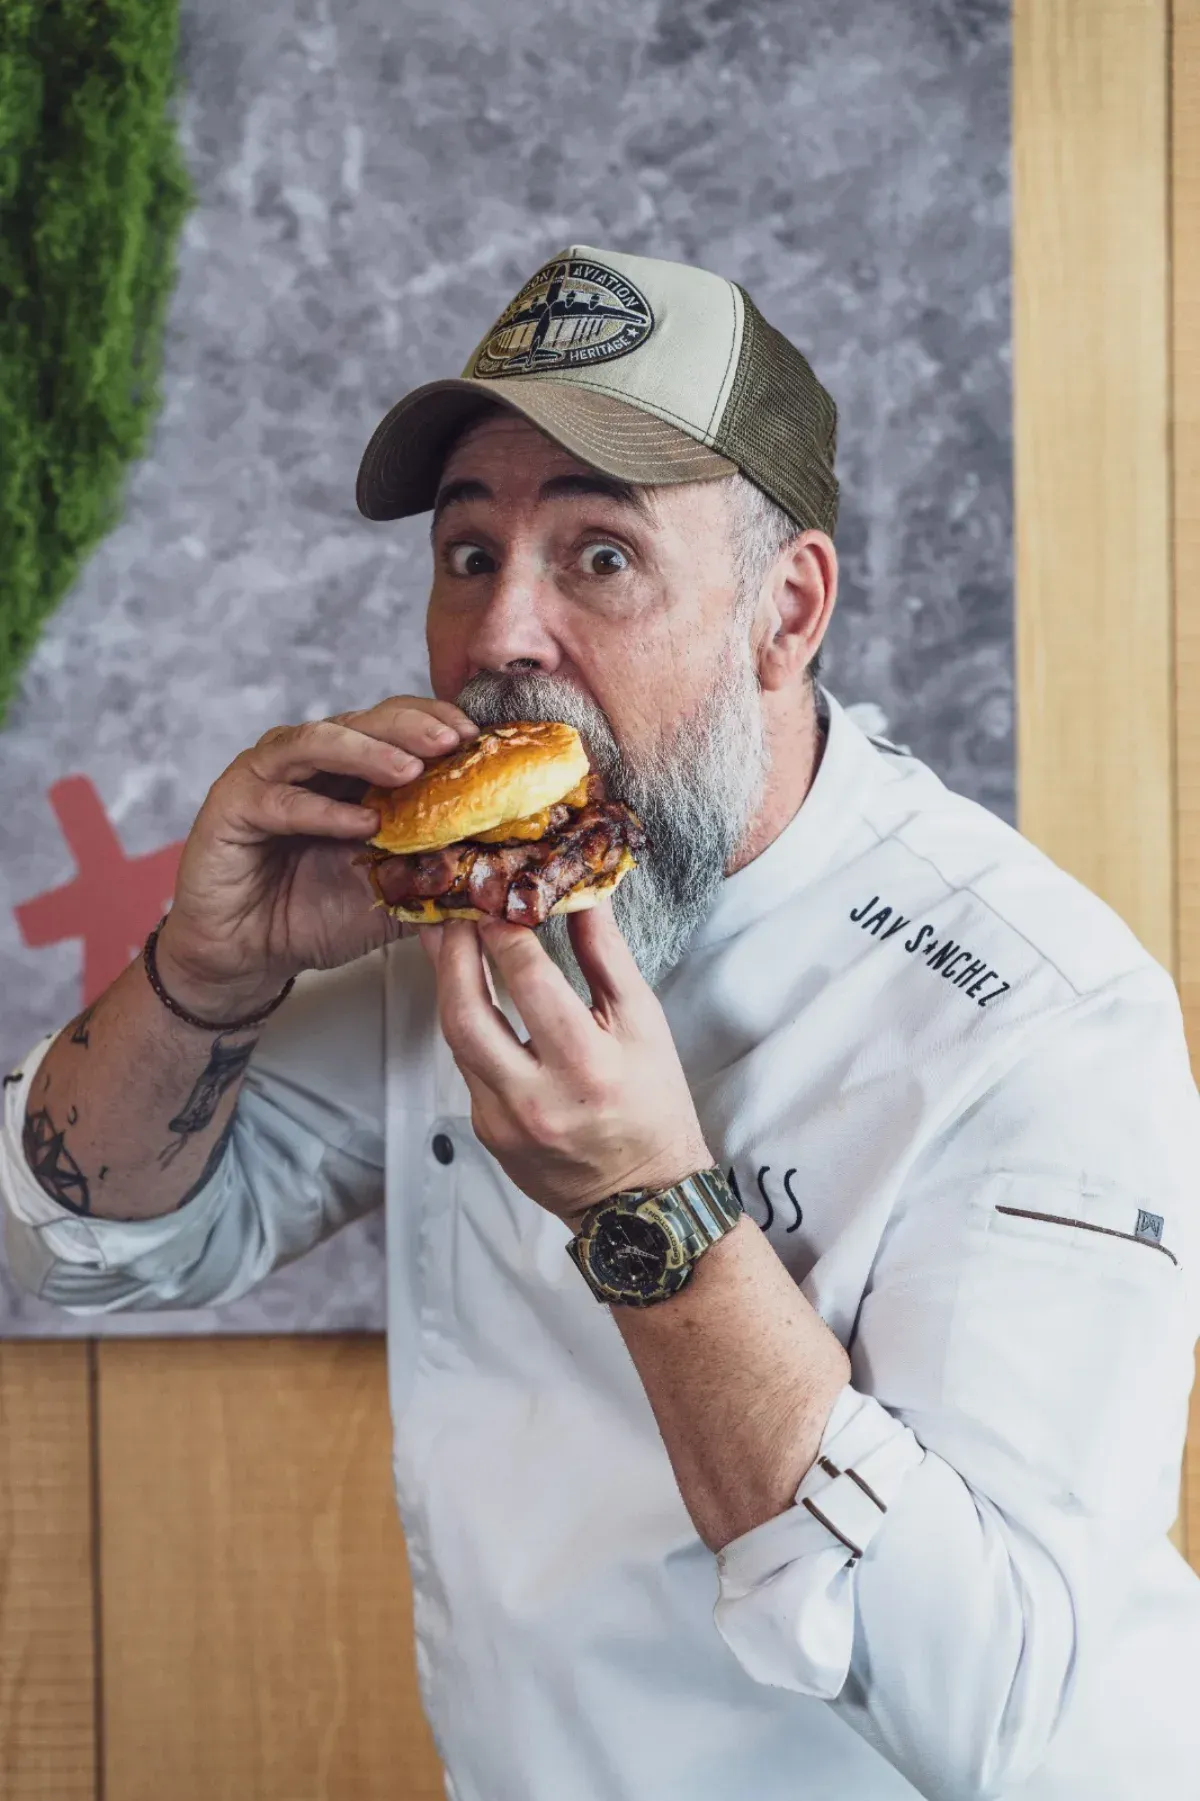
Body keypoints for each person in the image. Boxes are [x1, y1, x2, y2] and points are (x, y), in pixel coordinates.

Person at [2, 243, 1199, 1801]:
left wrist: (647, 1203)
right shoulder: (459, 924)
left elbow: (1008, 1713)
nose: (502, 634)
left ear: (785, 611)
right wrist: (209, 971)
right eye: (468, 552)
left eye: (601, 555)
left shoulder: (1037, 1016)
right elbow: (74, 1245)